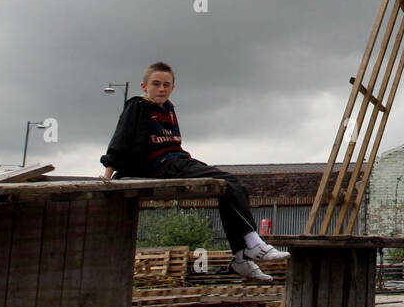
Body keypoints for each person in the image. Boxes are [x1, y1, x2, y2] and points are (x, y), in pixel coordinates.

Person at [101, 61, 288, 282]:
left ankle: (240, 257)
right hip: (160, 165)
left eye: (166, 85)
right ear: (144, 86)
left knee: (233, 187)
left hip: (177, 160)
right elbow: (121, 138)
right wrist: (108, 175)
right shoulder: (138, 106)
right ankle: (253, 245)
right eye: (156, 84)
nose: (161, 89)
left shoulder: (168, 108)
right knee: (229, 183)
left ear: (173, 87)